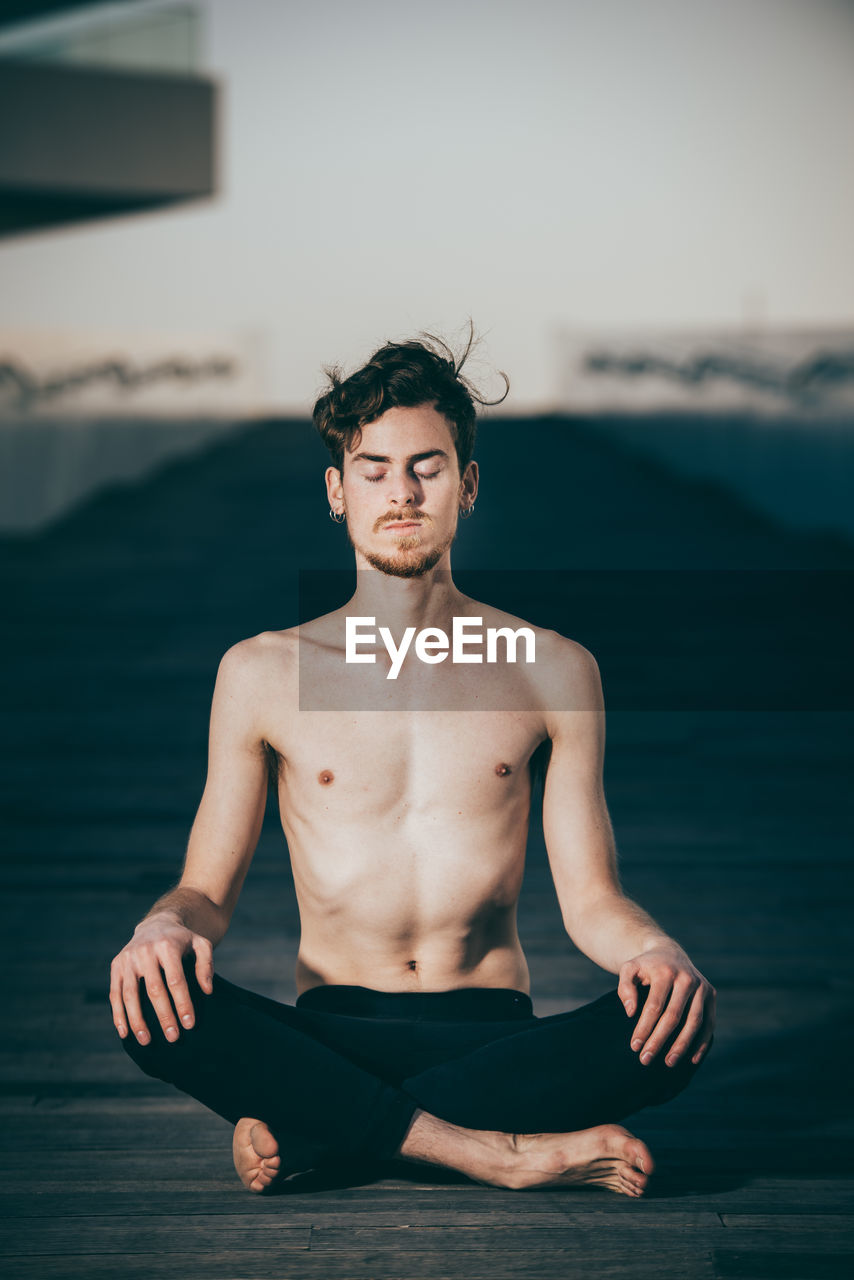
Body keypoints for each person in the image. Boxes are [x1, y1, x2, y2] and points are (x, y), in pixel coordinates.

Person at [109, 329, 715, 1197]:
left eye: (427, 467)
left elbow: (592, 900)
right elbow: (205, 895)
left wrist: (655, 951)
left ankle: (323, 1126)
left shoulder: (551, 667)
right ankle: (489, 1150)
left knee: (673, 1027)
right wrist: (162, 926)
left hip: (495, 1031)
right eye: (374, 469)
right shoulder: (263, 672)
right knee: (151, 1006)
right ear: (336, 492)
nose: (401, 492)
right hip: (329, 1027)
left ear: (466, 486)